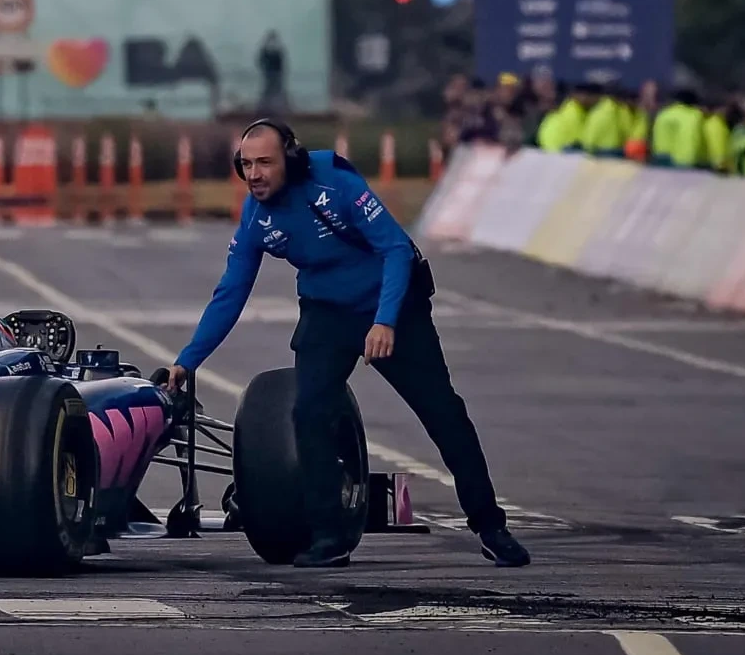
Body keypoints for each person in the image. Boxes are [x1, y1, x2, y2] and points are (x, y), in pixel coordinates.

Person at [161, 119, 531, 570]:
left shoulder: (333, 185)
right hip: (327, 311)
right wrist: (188, 360)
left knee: (443, 413)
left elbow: (395, 249)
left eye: (265, 163)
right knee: (309, 410)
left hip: (392, 304)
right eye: (246, 165)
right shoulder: (256, 217)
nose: (254, 174)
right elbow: (231, 292)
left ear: (290, 160)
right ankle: (329, 537)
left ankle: (491, 526)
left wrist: (385, 322)